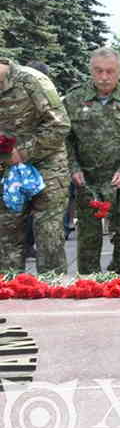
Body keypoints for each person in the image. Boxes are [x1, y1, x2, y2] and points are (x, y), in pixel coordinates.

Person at [63, 48, 120, 275]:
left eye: (110, 71)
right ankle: (89, 284)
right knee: (89, 237)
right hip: (89, 179)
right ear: (90, 70)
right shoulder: (74, 98)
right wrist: (73, 167)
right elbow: (65, 138)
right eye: (98, 71)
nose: (104, 77)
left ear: (119, 71)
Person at [0, 57, 71, 273]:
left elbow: (59, 125)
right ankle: (11, 291)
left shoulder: (32, 80)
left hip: (47, 164)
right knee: (7, 236)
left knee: (48, 233)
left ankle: (53, 291)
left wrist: (22, 152)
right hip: (7, 168)